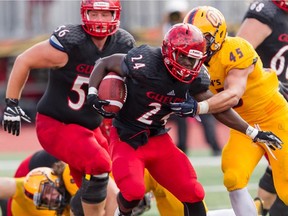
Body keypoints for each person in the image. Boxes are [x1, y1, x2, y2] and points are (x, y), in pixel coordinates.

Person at [87, 23, 282, 216]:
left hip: (158, 137)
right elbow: (105, 62)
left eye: (193, 59)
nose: (188, 64)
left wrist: (252, 132)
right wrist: (93, 92)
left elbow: (218, 107)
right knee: (133, 192)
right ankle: (122, 213)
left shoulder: (196, 78)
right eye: (184, 57)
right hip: (126, 136)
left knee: (194, 192)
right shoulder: (144, 62)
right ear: (168, 51)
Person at [1, 0, 135, 215]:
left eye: (106, 14)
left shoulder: (123, 44)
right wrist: (11, 104)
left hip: (89, 128)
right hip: (57, 124)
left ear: (115, 15)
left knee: (110, 182)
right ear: (85, 13)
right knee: (99, 164)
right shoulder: (72, 43)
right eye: (94, 13)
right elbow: (23, 60)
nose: (100, 20)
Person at [183, 5, 288, 216]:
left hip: (274, 116)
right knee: (233, 176)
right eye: (193, 38)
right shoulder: (190, 59)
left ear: (218, 35)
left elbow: (233, 94)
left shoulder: (236, 49)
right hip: (244, 125)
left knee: (286, 187)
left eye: (203, 38)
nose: (197, 45)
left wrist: (200, 107)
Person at [237, 0, 288, 215]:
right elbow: (235, 56)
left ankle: (261, 208)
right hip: (268, 102)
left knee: (279, 172)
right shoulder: (266, 12)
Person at [162, 0, 222, 156]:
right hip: (179, 77)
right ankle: (183, 146)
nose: (175, 16)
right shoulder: (171, 29)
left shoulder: (190, 29)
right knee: (181, 114)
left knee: (204, 109)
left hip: (194, 74)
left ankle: (214, 145)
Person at [0, 163, 76, 216]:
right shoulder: (28, 190)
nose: (49, 198)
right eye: (44, 200)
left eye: (48, 190)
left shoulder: (69, 177)